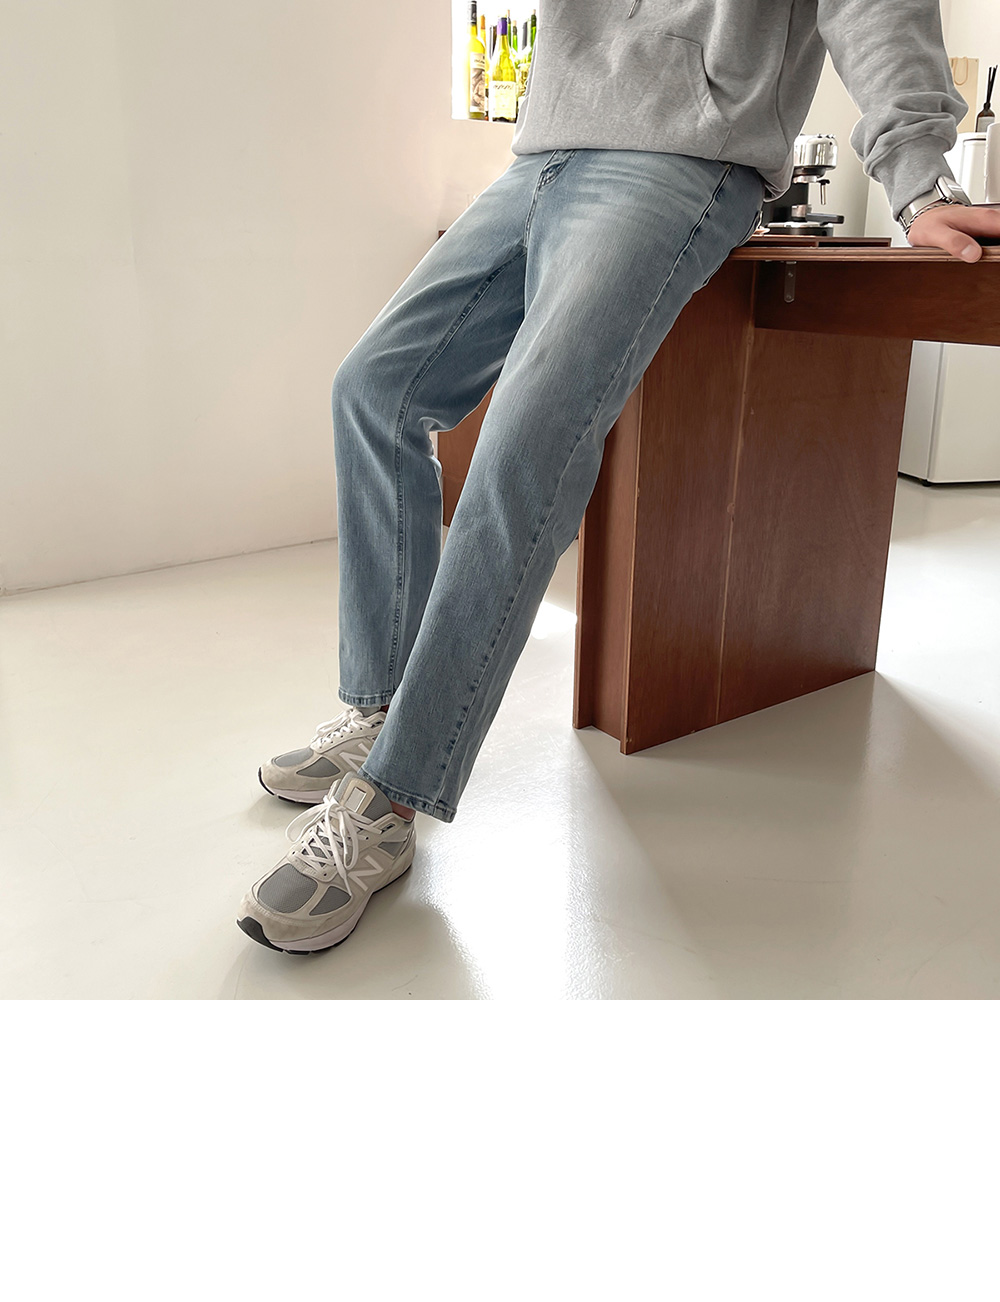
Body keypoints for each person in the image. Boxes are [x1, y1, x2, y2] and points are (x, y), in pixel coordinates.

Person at [236, 0, 1000, 954]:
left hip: (682, 157)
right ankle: (383, 710)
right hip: (543, 153)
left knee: (525, 446)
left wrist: (918, 180)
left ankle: (392, 796)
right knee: (374, 390)